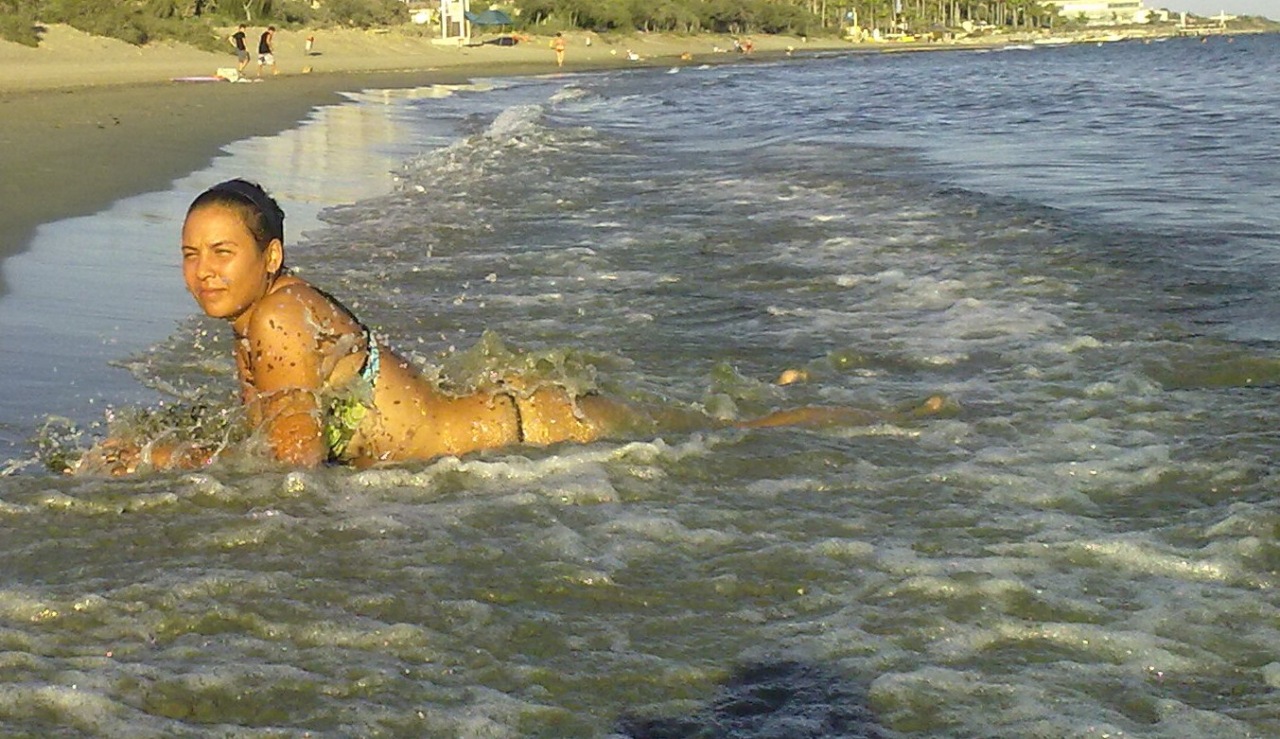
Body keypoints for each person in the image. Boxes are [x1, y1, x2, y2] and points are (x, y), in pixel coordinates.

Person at [74, 180, 947, 475]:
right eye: (189, 255)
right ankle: (829, 403)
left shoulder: (276, 317)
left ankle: (893, 419)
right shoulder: (273, 315)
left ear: (271, 257)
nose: (203, 271)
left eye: (222, 251)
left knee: (741, 433)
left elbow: (294, 466)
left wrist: (160, 457)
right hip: (514, 417)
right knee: (718, 423)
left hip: (532, 432)